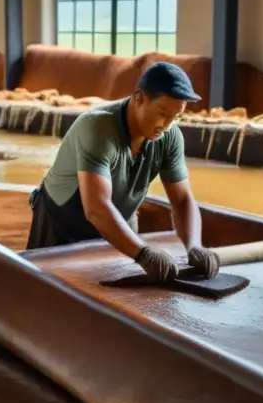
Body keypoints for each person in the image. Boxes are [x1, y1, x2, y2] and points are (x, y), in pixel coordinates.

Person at [26, 61, 220, 284]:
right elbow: (97, 207)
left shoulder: (170, 137)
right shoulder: (98, 128)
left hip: (118, 220)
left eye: (175, 116)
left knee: (120, 292)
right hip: (62, 223)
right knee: (48, 293)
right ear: (139, 98)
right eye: (163, 114)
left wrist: (194, 245)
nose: (167, 125)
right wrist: (143, 252)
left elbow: (183, 200)